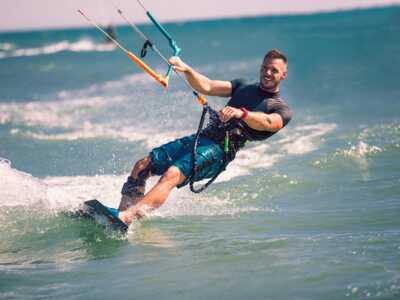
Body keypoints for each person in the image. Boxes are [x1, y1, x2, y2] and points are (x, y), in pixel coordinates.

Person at [116, 49, 292, 225]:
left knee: (172, 174)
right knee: (142, 166)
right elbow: (207, 86)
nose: (267, 73)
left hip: (219, 151)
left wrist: (242, 114)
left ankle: (126, 219)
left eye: (274, 70)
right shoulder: (243, 86)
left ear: (283, 75)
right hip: (202, 138)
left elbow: (269, 123)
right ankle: (120, 215)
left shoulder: (280, 108)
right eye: (264, 68)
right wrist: (187, 69)